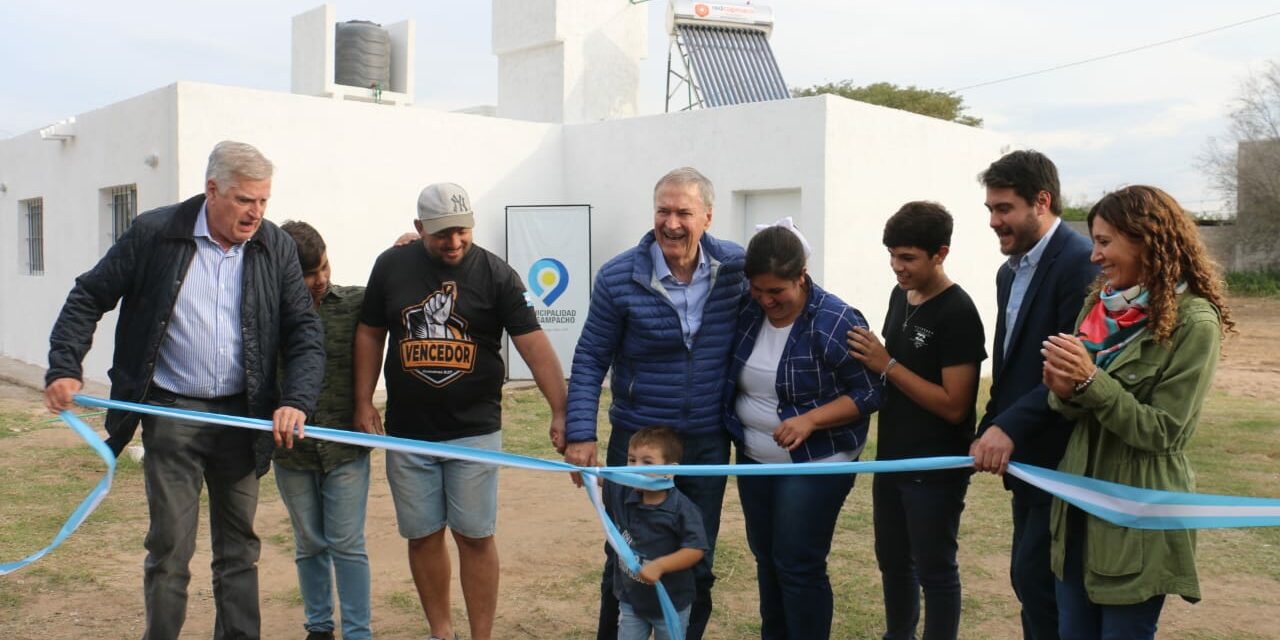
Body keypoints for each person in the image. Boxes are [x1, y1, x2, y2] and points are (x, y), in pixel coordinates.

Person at [43, 140, 325, 640]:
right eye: (244, 200)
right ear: (211, 189)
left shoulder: (275, 246)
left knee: (240, 549)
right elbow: (90, 294)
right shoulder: (155, 233)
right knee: (170, 549)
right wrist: (64, 365)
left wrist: (295, 400)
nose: (255, 213)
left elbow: (304, 330)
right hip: (172, 413)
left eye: (263, 201)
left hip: (243, 418)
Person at [352, 182, 567, 640]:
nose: (454, 242)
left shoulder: (496, 274)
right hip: (408, 433)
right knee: (423, 535)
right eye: (441, 234)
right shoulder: (392, 266)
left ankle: (480, 636)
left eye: (462, 232)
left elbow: (534, 346)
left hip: (474, 431)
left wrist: (561, 411)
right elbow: (371, 333)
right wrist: (363, 399)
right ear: (418, 229)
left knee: (474, 536)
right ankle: (441, 631)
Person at [1041, 186, 1232, 639]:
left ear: (1146, 239)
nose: (1094, 256)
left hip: (1137, 519)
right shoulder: (1098, 306)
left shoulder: (1195, 322)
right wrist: (1063, 392)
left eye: (1105, 242)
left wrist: (1090, 382)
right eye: (1094, 242)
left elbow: (1165, 433)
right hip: (1077, 513)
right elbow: (1072, 407)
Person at [564, 167, 746, 640]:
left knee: (696, 556)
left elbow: (790, 279)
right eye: (663, 210)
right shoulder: (618, 276)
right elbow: (589, 358)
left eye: (684, 212)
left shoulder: (737, 269)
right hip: (638, 444)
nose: (672, 223)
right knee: (625, 558)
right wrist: (581, 432)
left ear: (707, 216)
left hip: (705, 441)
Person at [723, 221, 882, 639]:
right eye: (758, 290)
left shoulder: (835, 320)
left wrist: (810, 419)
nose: (766, 300)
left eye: (777, 291)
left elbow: (869, 393)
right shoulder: (748, 310)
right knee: (766, 558)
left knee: (797, 562)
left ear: (802, 277)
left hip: (817, 462)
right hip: (755, 460)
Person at [968, 150, 1097, 640]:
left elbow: (1070, 371)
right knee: (1031, 581)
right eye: (990, 210)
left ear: (1041, 201)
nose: (994, 221)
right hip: (1025, 459)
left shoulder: (1081, 264)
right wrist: (989, 426)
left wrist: (1008, 427)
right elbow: (1013, 366)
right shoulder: (1010, 272)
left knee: (1043, 582)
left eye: (1003, 209)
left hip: (1063, 457)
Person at [847, 202, 987, 640]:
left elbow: (954, 405)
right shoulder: (899, 295)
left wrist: (886, 364)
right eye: (892, 254)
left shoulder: (959, 312)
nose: (897, 267)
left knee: (935, 570)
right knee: (892, 561)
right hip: (891, 459)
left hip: (936, 466)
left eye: (907, 257)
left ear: (940, 253)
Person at [273, 220, 372, 640]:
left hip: (346, 448)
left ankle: (357, 632)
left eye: (324, 267)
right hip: (291, 450)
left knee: (347, 543)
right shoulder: (266, 317)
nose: (320, 280)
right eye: (309, 273)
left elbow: (400, 293)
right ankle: (318, 627)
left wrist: (409, 250)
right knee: (310, 541)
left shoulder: (354, 304)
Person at [604, 426, 709, 640]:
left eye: (647, 462)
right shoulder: (622, 492)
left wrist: (660, 565)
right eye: (631, 460)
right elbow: (603, 479)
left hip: (671, 604)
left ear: (670, 470)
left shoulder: (682, 510)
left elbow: (696, 549)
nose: (635, 468)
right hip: (631, 599)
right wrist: (587, 471)